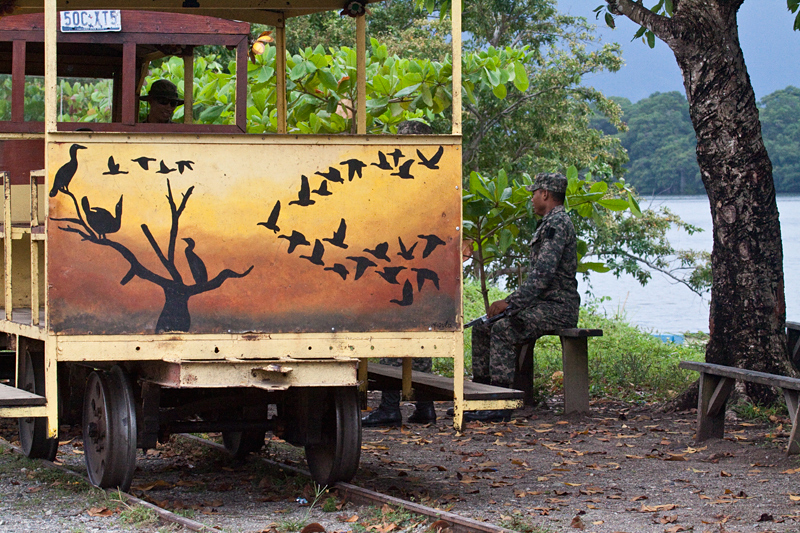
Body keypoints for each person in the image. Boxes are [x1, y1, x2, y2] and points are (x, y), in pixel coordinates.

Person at [467, 172, 580, 422]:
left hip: (558, 307)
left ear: (545, 194)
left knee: (504, 329)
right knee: (483, 328)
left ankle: (501, 405)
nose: (531, 198)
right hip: (542, 304)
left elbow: (542, 276)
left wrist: (510, 304)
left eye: (534, 193)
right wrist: (510, 304)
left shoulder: (557, 223)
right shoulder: (549, 222)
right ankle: (481, 397)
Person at [362, 119, 437, 428]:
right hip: (427, 266)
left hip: (404, 264)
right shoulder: (435, 178)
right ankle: (425, 405)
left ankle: (391, 405)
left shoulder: (404, 180)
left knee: (395, 333)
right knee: (422, 336)